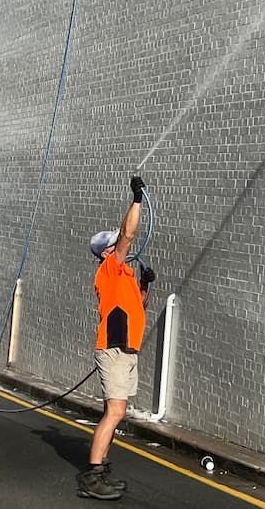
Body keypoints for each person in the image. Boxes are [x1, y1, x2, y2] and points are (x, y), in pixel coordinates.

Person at [77, 175, 155, 501]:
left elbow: (139, 306)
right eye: (115, 244)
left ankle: (101, 467)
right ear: (106, 251)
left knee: (116, 410)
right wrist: (136, 199)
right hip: (113, 349)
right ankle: (92, 476)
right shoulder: (108, 268)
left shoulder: (123, 275)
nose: (122, 245)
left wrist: (146, 286)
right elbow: (128, 233)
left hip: (126, 351)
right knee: (115, 412)